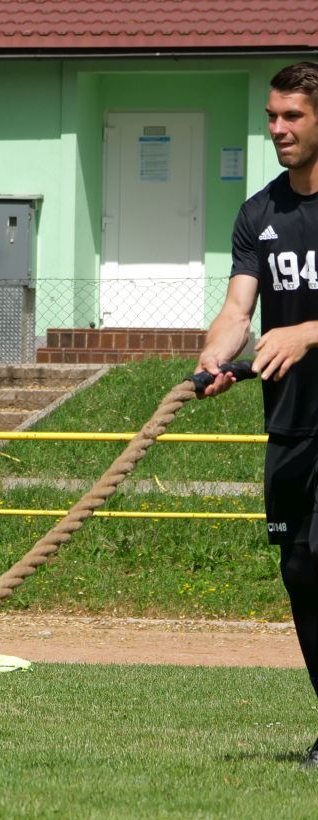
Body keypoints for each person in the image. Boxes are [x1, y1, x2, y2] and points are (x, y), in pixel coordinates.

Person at [196, 61, 318, 768]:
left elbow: (296, 330)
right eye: (273, 116)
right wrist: (215, 357)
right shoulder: (260, 213)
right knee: (300, 571)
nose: (277, 128)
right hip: (290, 425)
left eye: (292, 116)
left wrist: (308, 332)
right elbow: (237, 311)